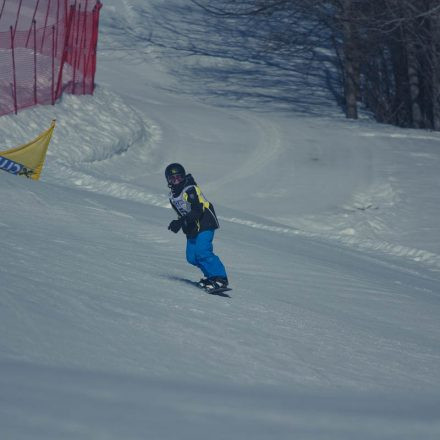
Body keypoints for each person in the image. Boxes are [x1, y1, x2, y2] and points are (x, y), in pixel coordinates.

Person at [165, 163, 229, 291]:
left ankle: (220, 278)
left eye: (179, 177)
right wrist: (178, 222)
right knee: (192, 257)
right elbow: (183, 212)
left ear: (183, 177)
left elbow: (197, 210)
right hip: (192, 227)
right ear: (168, 181)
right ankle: (211, 277)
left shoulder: (190, 189)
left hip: (205, 222)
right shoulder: (172, 196)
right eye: (173, 179)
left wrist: (181, 221)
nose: (177, 181)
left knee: (202, 252)